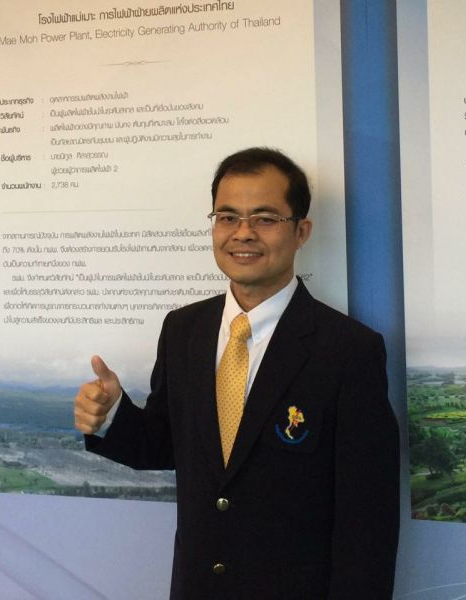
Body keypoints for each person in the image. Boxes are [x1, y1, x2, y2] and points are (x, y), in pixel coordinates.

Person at [75, 147, 400, 599]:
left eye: (265, 219)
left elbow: (368, 521)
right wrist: (113, 415)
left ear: (301, 231)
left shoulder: (348, 350)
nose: (243, 233)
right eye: (227, 217)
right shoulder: (183, 330)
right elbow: (170, 444)